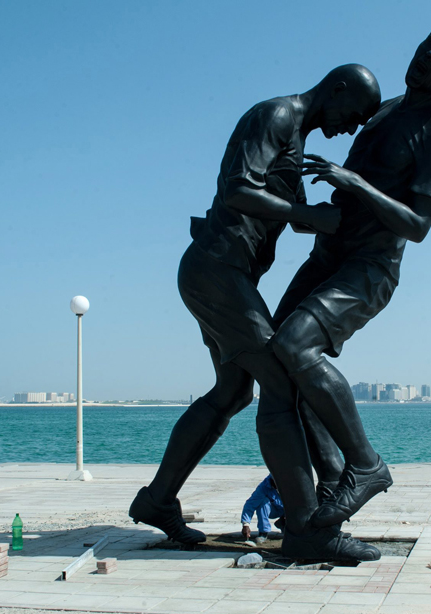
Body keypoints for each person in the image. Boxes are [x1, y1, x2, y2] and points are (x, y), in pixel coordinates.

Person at [129, 64, 382, 562]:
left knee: (232, 391)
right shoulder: (276, 115)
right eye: (354, 115)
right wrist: (309, 215)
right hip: (216, 272)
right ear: (337, 89)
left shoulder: (297, 140)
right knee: (281, 380)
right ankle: (308, 530)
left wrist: (354, 197)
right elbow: (237, 190)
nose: (350, 127)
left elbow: (297, 218)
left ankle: (157, 501)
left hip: (227, 277)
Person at [269, 19, 431, 528]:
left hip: (369, 269)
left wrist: (355, 184)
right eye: (429, 43)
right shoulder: (384, 112)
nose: (429, 55)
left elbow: (419, 225)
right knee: (276, 359)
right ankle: (332, 483)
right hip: (327, 257)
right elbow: (347, 194)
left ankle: (366, 465)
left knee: (296, 347)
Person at [241, 475, 285, 543]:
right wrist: (245, 524)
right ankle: (263, 532)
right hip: (274, 510)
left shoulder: (293, 483)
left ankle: (283, 523)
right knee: (262, 502)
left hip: (289, 510)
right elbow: (251, 504)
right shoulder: (264, 486)